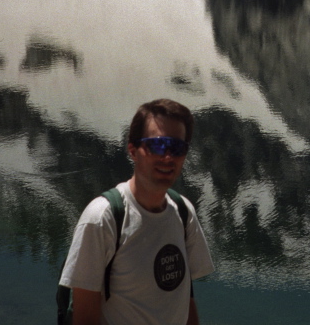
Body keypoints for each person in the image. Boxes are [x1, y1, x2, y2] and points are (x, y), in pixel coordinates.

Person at [60, 99, 215, 325]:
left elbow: (183, 297)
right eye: (157, 145)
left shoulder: (183, 211)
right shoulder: (102, 218)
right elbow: (84, 318)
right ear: (133, 150)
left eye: (178, 148)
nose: (168, 157)